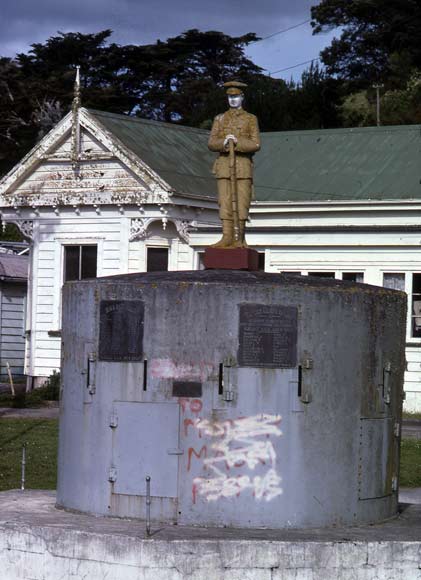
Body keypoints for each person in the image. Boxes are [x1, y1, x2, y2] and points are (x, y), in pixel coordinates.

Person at [208, 80, 260, 248]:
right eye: (230, 97)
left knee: (242, 201)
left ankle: (239, 237)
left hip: (242, 167)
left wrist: (237, 142)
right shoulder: (219, 118)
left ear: (242, 97)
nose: (233, 100)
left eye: (236, 96)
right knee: (225, 201)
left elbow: (256, 144)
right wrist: (224, 141)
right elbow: (211, 143)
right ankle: (226, 236)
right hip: (223, 166)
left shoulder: (250, 119)